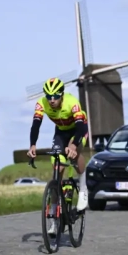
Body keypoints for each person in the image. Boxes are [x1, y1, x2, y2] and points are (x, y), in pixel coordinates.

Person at [26, 77, 89, 230]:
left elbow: (80, 128)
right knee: (58, 168)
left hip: (78, 131)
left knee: (72, 154)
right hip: (60, 132)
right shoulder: (42, 104)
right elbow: (36, 125)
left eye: (55, 96)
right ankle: (54, 215)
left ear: (62, 94)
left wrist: (74, 146)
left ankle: (83, 188)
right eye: (49, 97)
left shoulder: (72, 102)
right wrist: (32, 145)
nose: (52, 100)